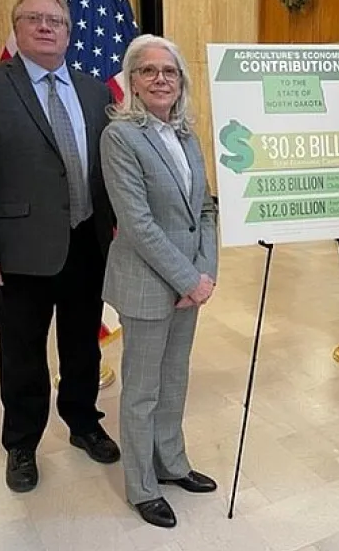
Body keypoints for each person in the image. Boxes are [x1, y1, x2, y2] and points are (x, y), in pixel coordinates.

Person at [0, 0, 120, 493]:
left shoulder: (94, 90)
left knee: (81, 346)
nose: (46, 27)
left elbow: (108, 171)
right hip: (19, 253)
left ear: (70, 32)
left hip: (87, 245)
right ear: (17, 27)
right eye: (34, 18)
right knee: (23, 351)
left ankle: (83, 422)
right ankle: (21, 443)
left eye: (56, 20)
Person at [100, 35, 218, 528]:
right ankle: (141, 486)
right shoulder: (120, 138)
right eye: (148, 71)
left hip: (190, 285)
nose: (160, 79)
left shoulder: (187, 135)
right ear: (132, 81)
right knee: (142, 390)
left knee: (175, 381)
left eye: (169, 71)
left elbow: (206, 209)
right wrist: (189, 278)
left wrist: (205, 273)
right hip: (149, 284)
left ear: (181, 81)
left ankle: (171, 464)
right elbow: (138, 223)